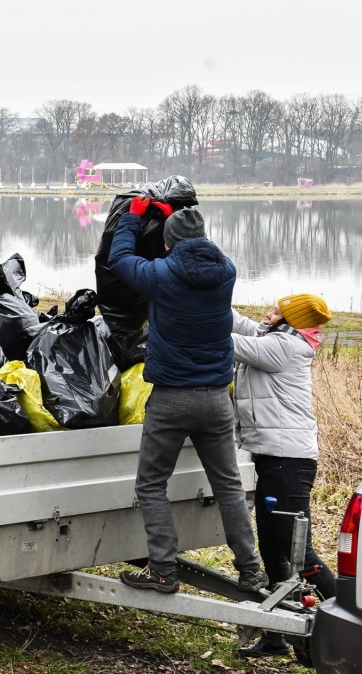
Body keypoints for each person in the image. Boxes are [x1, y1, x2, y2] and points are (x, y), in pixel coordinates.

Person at [108, 196, 268, 595]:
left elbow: (120, 257)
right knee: (228, 485)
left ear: (168, 245)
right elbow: (195, 252)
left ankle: (163, 571)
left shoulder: (161, 275)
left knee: (150, 484)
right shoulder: (226, 271)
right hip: (216, 399)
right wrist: (173, 223)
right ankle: (250, 570)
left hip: (172, 400)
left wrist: (131, 218)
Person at [231, 293, 336, 657]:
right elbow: (240, 324)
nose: (267, 314)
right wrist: (209, 298)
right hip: (273, 459)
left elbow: (230, 341)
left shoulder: (285, 348)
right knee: (273, 550)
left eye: (277, 311)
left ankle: (346, 620)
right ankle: (275, 636)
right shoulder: (276, 338)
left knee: (299, 556)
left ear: (290, 321)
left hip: (288, 463)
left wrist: (197, 316)